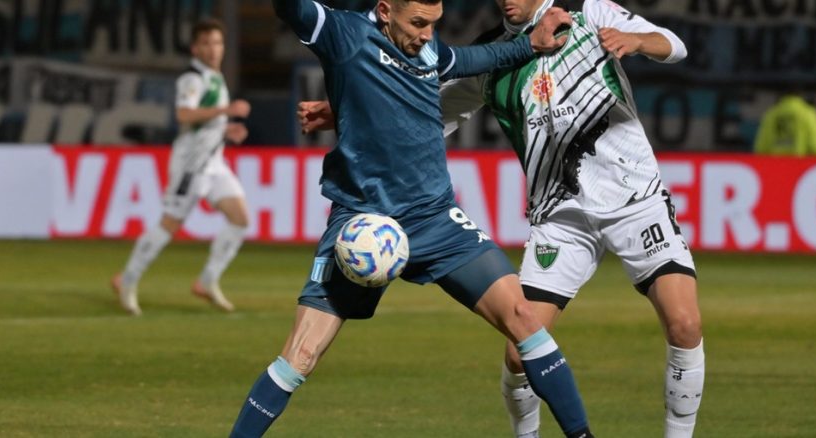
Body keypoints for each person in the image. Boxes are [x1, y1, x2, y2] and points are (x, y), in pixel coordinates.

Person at [299, 1, 706, 437]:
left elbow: (676, 46)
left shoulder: (587, 12)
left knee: (684, 324)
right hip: (559, 216)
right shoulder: (493, 54)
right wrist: (352, 112)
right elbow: (427, 115)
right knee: (520, 354)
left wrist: (637, 40)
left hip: (634, 198)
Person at [231, 1, 596, 437]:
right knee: (301, 354)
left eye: (433, 25)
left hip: (435, 218)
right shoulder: (343, 35)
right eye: (418, 24)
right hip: (361, 224)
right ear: (385, 10)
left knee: (522, 316)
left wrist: (531, 46)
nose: (427, 35)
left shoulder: (425, 49)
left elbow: (470, 59)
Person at [111, 18, 252, 315]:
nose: (213, 49)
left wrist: (227, 130)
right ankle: (128, 279)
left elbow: (205, 123)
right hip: (192, 166)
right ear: (195, 48)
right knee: (169, 225)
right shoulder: (192, 79)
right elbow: (185, 115)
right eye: (206, 44)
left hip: (214, 163)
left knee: (240, 218)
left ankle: (207, 281)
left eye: (217, 43)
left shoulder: (215, 76)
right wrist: (227, 111)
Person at [753, 92, 816, 157]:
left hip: (774, 170)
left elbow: (760, 150)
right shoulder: (809, 114)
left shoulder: (770, 114)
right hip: (801, 169)